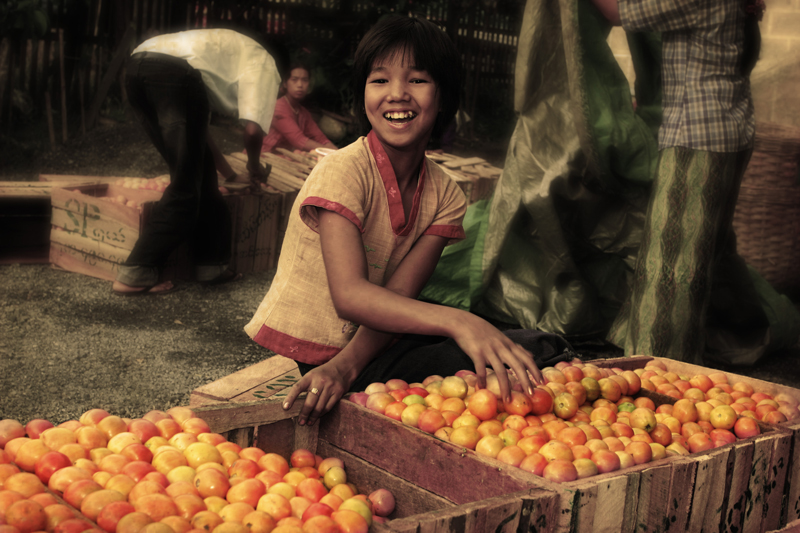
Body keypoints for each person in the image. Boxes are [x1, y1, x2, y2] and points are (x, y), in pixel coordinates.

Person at [245, 16, 569, 426]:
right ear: (363, 93)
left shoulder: (446, 194)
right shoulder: (343, 171)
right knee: (523, 349)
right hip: (323, 356)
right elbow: (351, 297)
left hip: (372, 343)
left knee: (531, 347)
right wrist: (459, 321)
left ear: (444, 94)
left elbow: (399, 295)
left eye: (417, 80)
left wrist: (458, 328)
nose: (397, 95)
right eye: (379, 80)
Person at [590, 0, 766, 363]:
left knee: (672, 255)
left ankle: (659, 360)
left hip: (696, 137)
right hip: (728, 129)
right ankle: (738, 339)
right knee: (709, 246)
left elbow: (621, 12)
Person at [112, 28, 280, 295]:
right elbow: (253, 130)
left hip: (136, 65)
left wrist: (230, 174)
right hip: (170, 72)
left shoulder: (225, 55)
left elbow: (198, 135)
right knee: (186, 188)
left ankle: (211, 266)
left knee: (199, 180)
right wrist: (254, 167)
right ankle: (135, 273)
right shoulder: (264, 64)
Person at [260, 60, 338, 154]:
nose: (300, 85)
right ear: (285, 83)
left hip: (285, 157)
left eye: (304, 80)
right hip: (264, 156)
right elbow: (299, 140)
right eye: (294, 79)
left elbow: (320, 138)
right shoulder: (278, 108)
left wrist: (338, 153)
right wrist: (331, 152)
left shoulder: (303, 113)